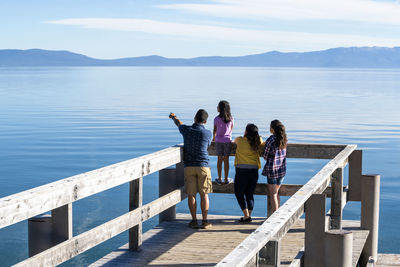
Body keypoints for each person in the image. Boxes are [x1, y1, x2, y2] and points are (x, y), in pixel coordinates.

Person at [169, 110, 213, 229]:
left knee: (191, 195)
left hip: (189, 166)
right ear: (205, 121)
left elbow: (179, 123)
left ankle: (194, 221)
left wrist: (174, 117)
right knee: (204, 194)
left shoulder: (186, 130)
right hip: (203, 165)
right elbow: (208, 146)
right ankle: (205, 221)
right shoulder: (208, 133)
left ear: (194, 118)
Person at [233, 123, 263, 223]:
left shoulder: (240, 140)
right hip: (254, 170)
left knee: (239, 192)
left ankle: (246, 215)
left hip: (241, 170)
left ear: (246, 131)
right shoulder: (258, 141)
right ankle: (248, 216)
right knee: (249, 193)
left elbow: (233, 141)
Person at [262, 120, 287, 213]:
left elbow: (265, 155)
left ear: (272, 129)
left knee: (273, 194)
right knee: (276, 193)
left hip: (272, 170)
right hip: (282, 170)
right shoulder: (284, 139)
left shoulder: (271, 139)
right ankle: (277, 213)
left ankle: (274, 217)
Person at [213, 100, 234, 184]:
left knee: (219, 159)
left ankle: (219, 178)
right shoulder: (231, 118)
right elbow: (231, 129)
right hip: (227, 141)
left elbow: (215, 130)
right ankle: (226, 179)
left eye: (218, 106)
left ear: (220, 109)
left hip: (218, 141)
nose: (217, 107)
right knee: (226, 160)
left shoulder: (216, 119)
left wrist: (214, 138)